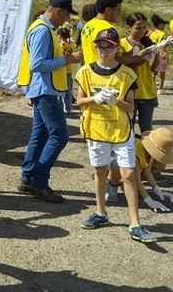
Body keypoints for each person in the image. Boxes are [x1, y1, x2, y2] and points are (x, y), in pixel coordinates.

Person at [75, 28, 156, 243]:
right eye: (100, 47)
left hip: (121, 131)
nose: (104, 51)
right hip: (97, 130)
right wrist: (95, 99)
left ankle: (135, 224)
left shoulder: (127, 74)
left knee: (128, 174)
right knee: (100, 172)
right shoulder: (85, 72)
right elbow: (79, 101)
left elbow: (130, 107)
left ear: (116, 47)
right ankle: (101, 213)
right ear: (96, 47)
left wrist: (115, 102)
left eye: (108, 47)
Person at [17, 0, 82, 202]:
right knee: (59, 136)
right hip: (46, 90)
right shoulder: (43, 31)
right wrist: (67, 59)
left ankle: (27, 178)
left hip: (43, 90)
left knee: (40, 135)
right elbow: (37, 64)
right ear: (58, 11)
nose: (67, 20)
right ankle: (39, 182)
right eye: (66, 15)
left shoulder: (43, 28)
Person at [107, 129, 173, 212]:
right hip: (113, 160)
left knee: (160, 165)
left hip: (132, 168)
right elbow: (136, 179)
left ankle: (127, 185)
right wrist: (148, 199)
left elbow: (147, 170)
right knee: (117, 166)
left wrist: (156, 188)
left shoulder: (150, 150)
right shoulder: (136, 153)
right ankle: (112, 184)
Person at [80, 0, 151, 67]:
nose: (119, 14)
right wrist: (140, 56)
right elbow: (115, 60)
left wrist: (131, 52)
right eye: (118, 10)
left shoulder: (88, 25)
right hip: (105, 74)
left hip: (90, 71)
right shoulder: (108, 30)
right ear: (108, 10)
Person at [119, 13, 159, 136]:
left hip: (147, 90)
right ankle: (131, 154)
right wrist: (143, 57)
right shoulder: (121, 44)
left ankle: (147, 154)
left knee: (147, 129)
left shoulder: (148, 43)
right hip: (129, 91)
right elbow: (126, 66)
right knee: (128, 127)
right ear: (129, 28)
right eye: (138, 28)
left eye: (144, 28)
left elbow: (152, 69)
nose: (141, 31)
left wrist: (155, 52)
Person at [56, 27, 76, 113]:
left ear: (59, 36)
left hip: (60, 69)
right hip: (69, 69)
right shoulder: (72, 44)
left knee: (59, 88)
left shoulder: (59, 45)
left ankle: (60, 106)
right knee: (68, 89)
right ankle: (69, 107)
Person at [151, 15, 170, 95]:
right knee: (162, 71)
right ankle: (160, 88)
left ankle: (152, 87)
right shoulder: (162, 34)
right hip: (161, 53)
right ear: (160, 25)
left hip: (153, 54)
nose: (164, 26)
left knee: (154, 71)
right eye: (163, 24)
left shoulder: (152, 34)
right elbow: (164, 44)